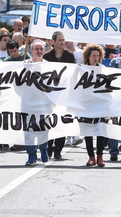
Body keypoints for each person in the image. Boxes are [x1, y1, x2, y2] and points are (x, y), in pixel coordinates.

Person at [43, 31, 76, 159]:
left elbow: (72, 74)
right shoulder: (47, 56)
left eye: (63, 40)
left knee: (61, 122)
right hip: (50, 94)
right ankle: (49, 147)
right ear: (53, 42)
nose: (62, 42)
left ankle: (58, 149)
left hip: (64, 94)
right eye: (60, 40)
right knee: (50, 122)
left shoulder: (69, 56)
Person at [79, 44, 110, 167]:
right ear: (88, 56)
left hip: (100, 106)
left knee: (100, 131)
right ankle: (91, 157)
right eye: (93, 56)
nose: (96, 58)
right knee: (88, 132)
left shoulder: (103, 70)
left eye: (98, 56)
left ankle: (100, 156)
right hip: (87, 105)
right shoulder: (82, 69)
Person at [25, 40, 50, 165]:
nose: (39, 51)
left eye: (41, 49)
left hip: (43, 104)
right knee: (28, 130)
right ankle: (31, 155)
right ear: (31, 51)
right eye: (36, 49)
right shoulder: (24, 64)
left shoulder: (49, 66)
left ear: (44, 51)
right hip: (27, 103)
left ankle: (44, 151)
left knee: (43, 129)